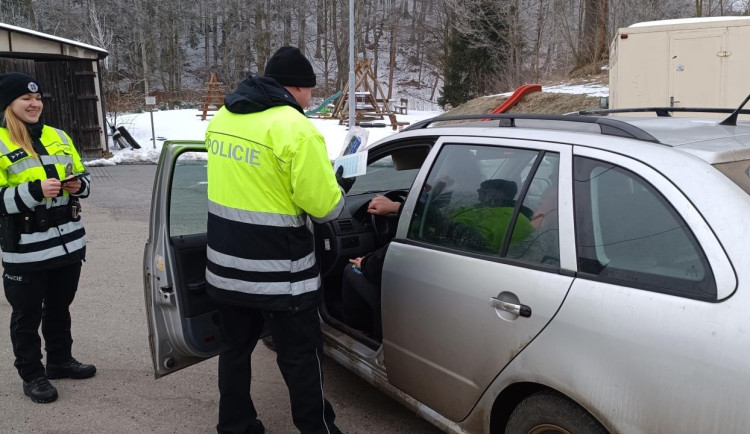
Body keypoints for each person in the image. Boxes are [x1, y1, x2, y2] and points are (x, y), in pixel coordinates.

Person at [204, 47, 346, 434]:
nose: (311, 100)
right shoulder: (296, 129)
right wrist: (336, 186)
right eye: (310, 91)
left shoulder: (223, 116)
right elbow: (325, 208)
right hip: (280, 275)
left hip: (225, 268)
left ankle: (235, 425)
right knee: (301, 357)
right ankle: (318, 429)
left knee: (234, 351)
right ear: (297, 88)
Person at [0, 72, 94, 404]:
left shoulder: (59, 135)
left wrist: (77, 185)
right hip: (26, 249)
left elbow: (84, 179)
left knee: (59, 306)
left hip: (67, 241)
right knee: (26, 315)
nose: (34, 103)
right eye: (26, 98)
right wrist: (33, 191)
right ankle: (32, 374)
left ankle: (59, 360)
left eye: (38, 98)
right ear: (8, 104)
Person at [341, 195, 401, 340]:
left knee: (351, 269)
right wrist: (397, 207)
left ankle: (356, 328)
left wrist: (364, 263)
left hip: (397, 295)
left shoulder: (420, 228)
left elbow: (385, 259)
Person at [448, 179, 533, 252]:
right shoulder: (477, 207)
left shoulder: (509, 216)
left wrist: (443, 225)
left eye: (484, 189)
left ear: (497, 194)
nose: (478, 190)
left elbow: (477, 242)